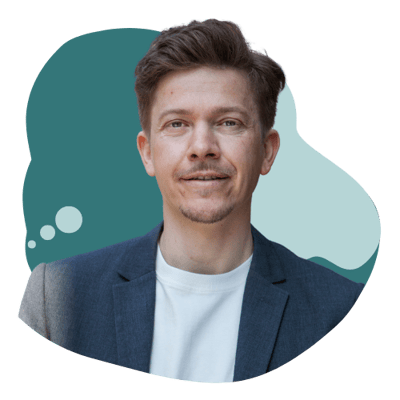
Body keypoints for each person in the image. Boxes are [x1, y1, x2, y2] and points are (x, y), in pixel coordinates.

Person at [18, 18, 364, 384]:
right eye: (177, 124)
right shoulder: (57, 297)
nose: (202, 147)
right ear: (147, 152)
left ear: (267, 151)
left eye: (229, 122)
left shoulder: (342, 311)